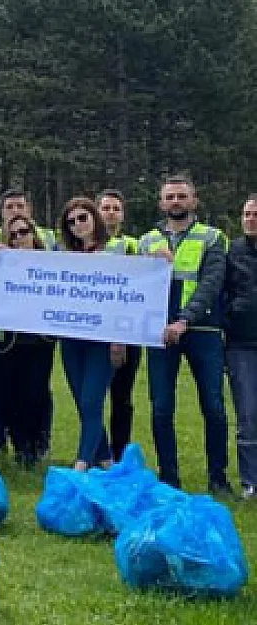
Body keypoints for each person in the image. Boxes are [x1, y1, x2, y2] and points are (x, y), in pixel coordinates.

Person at [138, 176, 231, 493]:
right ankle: (168, 478)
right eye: (169, 197)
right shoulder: (147, 242)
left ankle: (218, 478)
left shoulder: (213, 237)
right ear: (161, 203)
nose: (175, 201)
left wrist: (184, 321)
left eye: (181, 196)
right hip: (159, 333)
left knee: (213, 406)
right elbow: (135, 287)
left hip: (202, 330)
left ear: (194, 201)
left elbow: (211, 284)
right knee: (161, 406)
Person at [0, 189, 57, 453]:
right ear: (2, 212)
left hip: (41, 331)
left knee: (38, 390)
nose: (15, 211)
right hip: (7, 332)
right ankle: (10, 442)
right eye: (10, 206)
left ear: (30, 209)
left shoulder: (49, 239)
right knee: (7, 389)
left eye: (20, 205)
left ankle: (40, 442)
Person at [58, 198, 126, 471]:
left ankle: (82, 463)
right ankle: (107, 461)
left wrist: (119, 338)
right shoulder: (63, 256)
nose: (77, 226)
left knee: (91, 400)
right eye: (71, 222)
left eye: (82, 218)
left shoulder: (116, 252)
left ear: (94, 218)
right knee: (83, 404)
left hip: (103, 341)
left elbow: (125, 298)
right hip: (71, 340)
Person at [98, 189, 141, 459]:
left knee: (122, 397)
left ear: (122, 214)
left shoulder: (134, 246)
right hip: (93, 332)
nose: (110, 212)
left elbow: (139, 292)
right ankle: (97, 452)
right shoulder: (85, 245)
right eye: (106, 207)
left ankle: (120, 452)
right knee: (92, 399)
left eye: (115, 208)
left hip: (127, 332)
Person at [224, 195, 257, 498]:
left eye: (255, 214)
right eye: (246, 213)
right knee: (247, 414)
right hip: (241, 344)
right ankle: (251, 481)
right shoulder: (232, 251)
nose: (250, 219)